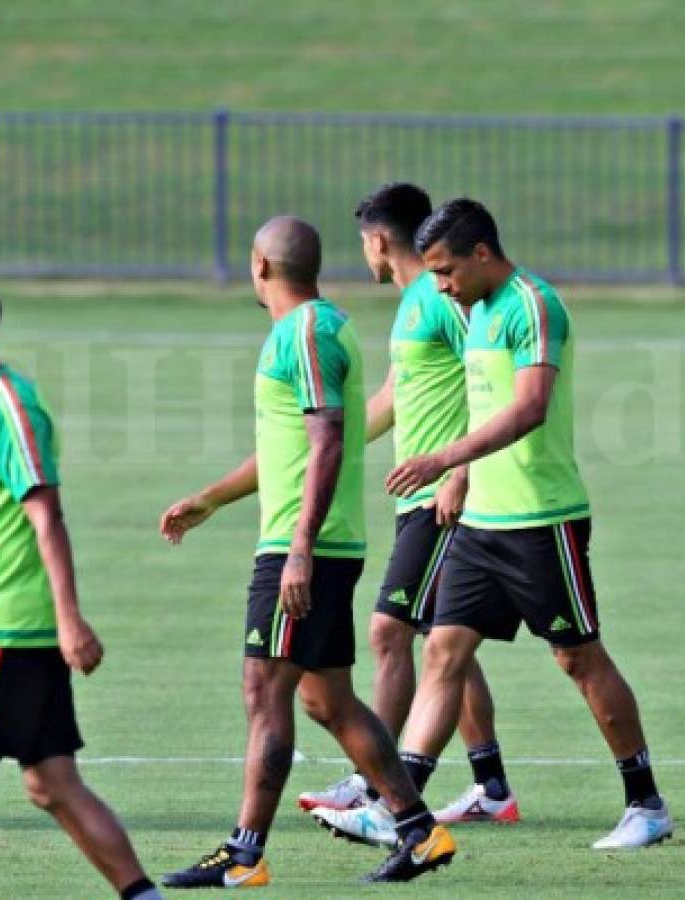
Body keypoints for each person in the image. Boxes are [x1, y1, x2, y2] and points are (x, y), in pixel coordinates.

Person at [323, 197, 672, 851]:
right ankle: (400, 806)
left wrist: (447, 460)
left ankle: (646, 804)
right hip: (481, 521)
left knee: (578, 658)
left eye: (447, 271)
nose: (440, 286)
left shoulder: (533, 306)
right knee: (442, 651)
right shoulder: (474, 308)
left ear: (482, 253)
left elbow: (531, 407)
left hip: (541, 516)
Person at [157, 216, 455, 887]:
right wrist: (212, 497)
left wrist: (297, 550)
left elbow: (325, 441)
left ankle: (243, 854)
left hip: (306, 547)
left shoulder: (308, 332)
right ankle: (418, 830)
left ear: (260, 265)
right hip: (313, 542)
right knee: (329, 702)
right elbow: (287, 449)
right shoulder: (312, 328)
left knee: (265, 689)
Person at [0, 270, 162, 900]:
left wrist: (70, 620)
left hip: (3, 632)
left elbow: (47, 516)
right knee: (52, 784)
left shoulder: (10, 407)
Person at [300, 183, 518, 833]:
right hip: (422, 494)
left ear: (374, 241)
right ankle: (491, 786)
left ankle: (376, 781)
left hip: (441, 499)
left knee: (389, 632)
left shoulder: (438, 297)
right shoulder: (414, 301)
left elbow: (490, 382)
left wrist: (460, 471)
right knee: (443, 643)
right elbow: (396, 395)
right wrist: (320, 446)